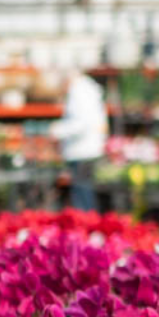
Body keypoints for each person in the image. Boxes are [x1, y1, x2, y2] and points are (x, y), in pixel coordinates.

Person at [52, 65, 107, 211]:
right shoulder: (87, 89)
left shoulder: (79, 92)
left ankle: (85, 224)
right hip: (87, 148)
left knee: (82, 194)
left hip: (82, 150)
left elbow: (80, 123)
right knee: (84, 190)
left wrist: (57, 131)